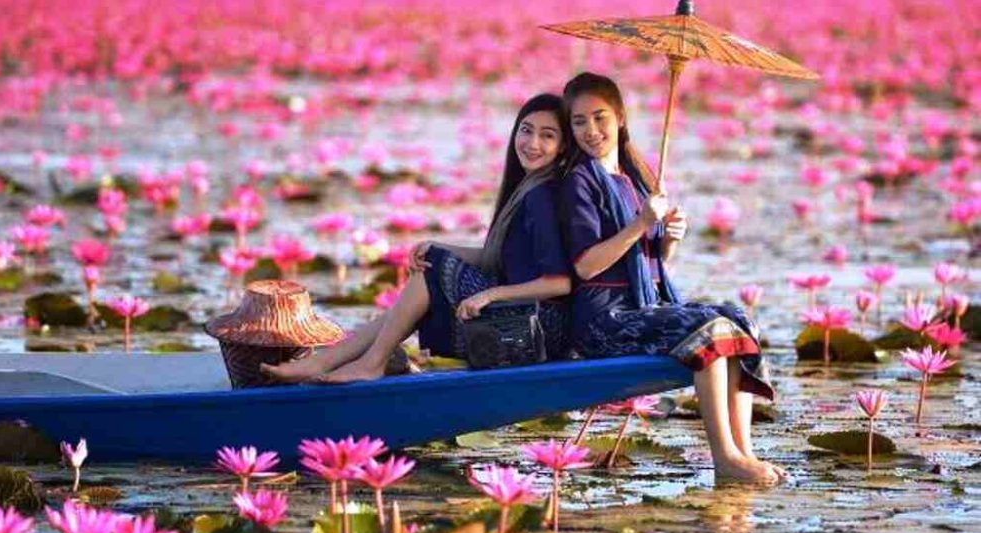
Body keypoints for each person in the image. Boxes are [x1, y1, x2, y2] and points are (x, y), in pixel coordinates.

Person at [560, 72, 785, 484]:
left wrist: (669, 238)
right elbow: (586, 266)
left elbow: (653, 263)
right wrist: (639, 224)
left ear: (621, 118)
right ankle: (724, 458)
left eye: (600, 118)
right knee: (709, 331)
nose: (591, 131)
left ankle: (744, 452)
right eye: (579, 122)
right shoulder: (579, 183)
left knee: (738, 318)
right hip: (601, 321)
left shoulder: (635, 179)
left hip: (643, 308)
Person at [262, 93, 572, 383]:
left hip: (536, 328)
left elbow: (560, 283)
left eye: (548, 135)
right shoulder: (529, 189)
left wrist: (490, 295)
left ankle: (368, 362)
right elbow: (500, 256)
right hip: (520, 316)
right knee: (430, 267)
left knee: (432, 271)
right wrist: (441, 246)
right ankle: (329, 361)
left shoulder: (542, 198)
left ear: (562, 146)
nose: (532, 143)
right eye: (526, 130)